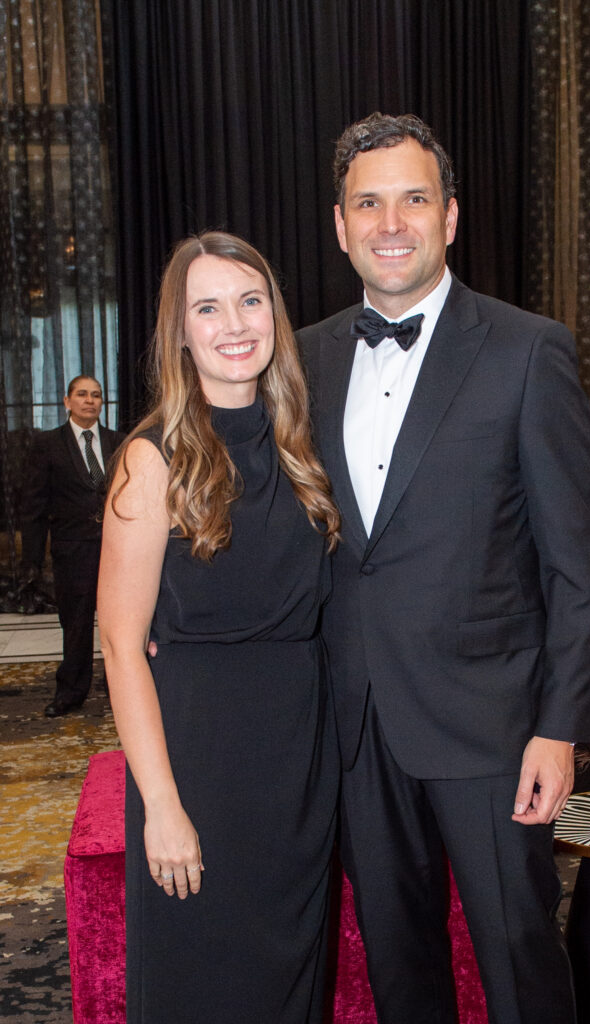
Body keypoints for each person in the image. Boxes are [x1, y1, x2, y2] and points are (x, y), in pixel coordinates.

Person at [296, 112, 590, 1024]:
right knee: (400, 968)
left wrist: (558, 728)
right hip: (354, 725)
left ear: (450, 216)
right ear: (339, 222)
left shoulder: (526, 349)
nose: (389, 223)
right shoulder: (305, 356)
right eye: (368, 203)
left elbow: (577, 567)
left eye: (412, 199)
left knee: (518, 963)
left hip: (492, 733)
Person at [97, 232, 341, 1023]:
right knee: (204, 981)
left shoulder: (302, 443)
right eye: (207, 306)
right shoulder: (152, 457)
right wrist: (161, 805)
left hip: (299, 762)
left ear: (274, 312)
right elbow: (120, 644)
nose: (234, 323)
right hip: (198, 762)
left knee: (291, 983)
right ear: (180, 331)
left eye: (249, 299)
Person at [20, 375, 125, 717]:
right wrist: (31, 560)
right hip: (72, 552)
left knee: (120, 624)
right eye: (82, 395)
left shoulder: (118, 442)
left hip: (116, 552)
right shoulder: (47, 445)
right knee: (76, 625)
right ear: (67, 401)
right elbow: (34, 506)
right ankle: (70, 692)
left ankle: (120, 688)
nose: (90, 401)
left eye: (96, 395)